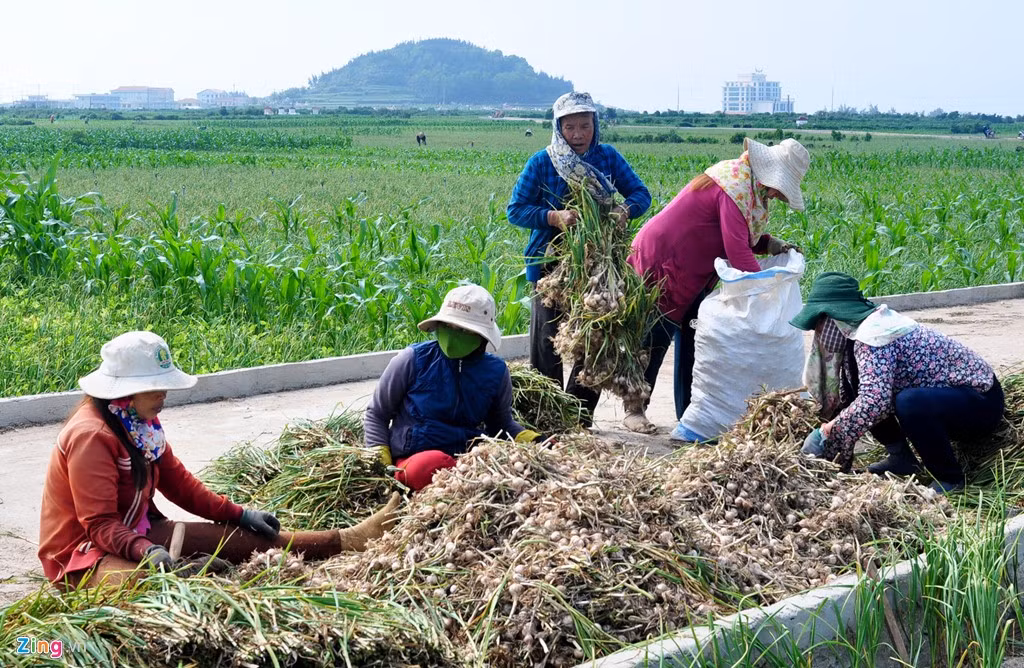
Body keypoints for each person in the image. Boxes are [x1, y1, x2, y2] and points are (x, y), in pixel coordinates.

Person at [38, 331, 401, 590]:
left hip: (137, 531)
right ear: (125, 392)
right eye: (156, 387)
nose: (164, 394)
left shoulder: (139, 423)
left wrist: (237, 514)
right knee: (154, 590)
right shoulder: (92, 436)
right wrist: (144, 550)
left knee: (245, 541)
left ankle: (347, 538)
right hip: (83, 553)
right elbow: (99, 524)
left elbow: (178, 483)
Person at [626, 138, 809, 433]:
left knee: (695, 337)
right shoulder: (734, 187)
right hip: (667, 259)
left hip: (696, 266)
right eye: (780, 187)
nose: (777, 195)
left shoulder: (749, 189)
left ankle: (690, 410)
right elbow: (737, 251)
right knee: (655, 337)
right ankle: (635, 408)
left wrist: (770, 244)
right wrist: (766, 291)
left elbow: (740, 235)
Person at [507, 91, 652, 425]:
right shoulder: (542, 162)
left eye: (584, 126)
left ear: (594, 126)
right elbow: (515, 210)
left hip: (599, 266)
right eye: (570, 127)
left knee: (595, 339)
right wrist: (554, 217)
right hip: (550, 264)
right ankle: (546, 416)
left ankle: (577, 417)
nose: (577, 134)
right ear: (559, 128)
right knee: (548, 342)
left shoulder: (608, 158)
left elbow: (640, 194)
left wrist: (624, 210)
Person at [792, 272, 1004, 493]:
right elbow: (857, 395)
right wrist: (832, 423)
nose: (819, 330)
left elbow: (874, 402)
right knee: (858, 387)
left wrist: (828, 432)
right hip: (949, 398)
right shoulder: (857, 335)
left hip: (981, 403)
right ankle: (901, 458)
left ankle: (949, 479)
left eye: (820, 321)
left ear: (834, 317)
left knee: (909, 402)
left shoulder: (875, 335)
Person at [364, 284, 542, 491]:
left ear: (481, 337)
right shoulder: (412, 360)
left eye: (464, 330)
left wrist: (536, 441)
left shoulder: (496, 372)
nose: (453, 335)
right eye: (449, 326)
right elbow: (377, 414)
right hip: (414, 460)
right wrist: (380, 460)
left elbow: (501, 425)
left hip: (469, 461)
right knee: (428, 465)